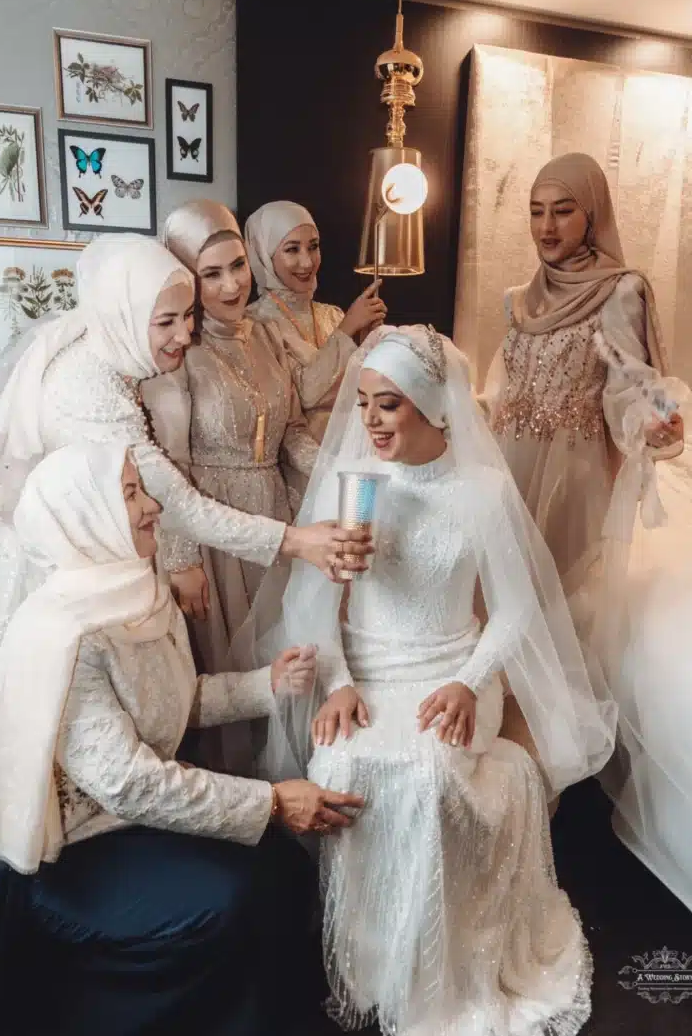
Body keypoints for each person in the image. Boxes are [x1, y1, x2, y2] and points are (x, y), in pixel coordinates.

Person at [0, 233, 370, 961]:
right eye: (169, 319)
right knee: (75, 740)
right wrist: (298, 541)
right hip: (73, 552)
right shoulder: (86, 385)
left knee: (153, 695)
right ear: (125, 313)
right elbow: (170, 497)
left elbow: (180, 688)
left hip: (103, 546)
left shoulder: (111, 357)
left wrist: (268, 684)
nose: (186, 331)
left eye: (189, 315)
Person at [238, 325, 616, 1036]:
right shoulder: (356, 487)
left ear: (431, 403)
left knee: (432, 770)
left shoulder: (484, 490)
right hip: (369, 668)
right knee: (343, 759)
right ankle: (379, 961)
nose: (370, 421)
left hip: (454, 668)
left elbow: (513, 611)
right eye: (363, 403)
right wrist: (342, 681)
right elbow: (318, 606)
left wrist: (472, 683)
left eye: (389, 404)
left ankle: (444, 966)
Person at [0, 442, 364, 1035]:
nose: (153, 507)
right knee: (235, 895)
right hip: (82, 852)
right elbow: (128, 782)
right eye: (130, 494)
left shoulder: (136, 592)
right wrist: (273, 803)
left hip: (132, 820)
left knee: (282, 867)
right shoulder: (64, 636)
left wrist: (267, 685)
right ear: (84, 516)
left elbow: (171, 704)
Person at [481, 152, 692, 766]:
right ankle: (502, 763)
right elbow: (504, 386)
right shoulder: (519, 299)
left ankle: (549, 769)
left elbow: (632, 379)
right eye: (536, 212)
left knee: (553, 618)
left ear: (592, 214)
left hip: (570, 480)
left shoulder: (620, 290)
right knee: (500, 608)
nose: (547, 227)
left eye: (564, 211)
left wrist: (652, 421)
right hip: (509, 471)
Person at [143, 201, 320, 676]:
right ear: (187, 279)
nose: (232, 285)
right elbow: (166, 465)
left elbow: (292, 432)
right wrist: (181, 561)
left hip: (274, 512)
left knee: (282, 659)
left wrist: (334, 469)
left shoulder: (266, 335)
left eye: (238, 265)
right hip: (209, 532)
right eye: (212, 274)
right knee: (224, 667)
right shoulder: (177, 351)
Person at [245, 200, 387, 444]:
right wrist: (346, 331)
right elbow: (303, 397)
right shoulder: (253, 324)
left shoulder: (332, 315)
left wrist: (367, 340)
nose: (308, 262)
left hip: (352, 451)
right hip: (300, 466)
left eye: (313, 247)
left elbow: (361, 394)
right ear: (264, 255)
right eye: (292, 250)